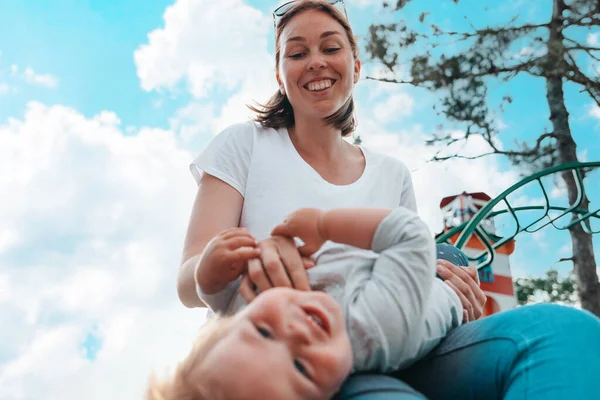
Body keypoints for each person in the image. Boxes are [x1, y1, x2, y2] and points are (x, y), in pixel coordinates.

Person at [175, 0, 600, 399]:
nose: (316, 62)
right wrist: (235, 261)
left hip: (385, 341)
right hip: (288, 362)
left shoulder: (391, 173)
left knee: (560, 334)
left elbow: (401, 260)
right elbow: (189, 284)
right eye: (297, 53)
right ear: (279, 74)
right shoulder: (244, 145)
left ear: (355, 66)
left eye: (331, 47)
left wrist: (443, 283)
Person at [150, 206, 465, 399]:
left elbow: (226, 304)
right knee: (450, 254)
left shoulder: (254, 334)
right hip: (435, 285)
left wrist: (210, 275)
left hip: (362, 274)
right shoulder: (375, 326)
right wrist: (324, 225)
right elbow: (409, 234)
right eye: (300, 367)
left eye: (263, 332)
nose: (297, 333)